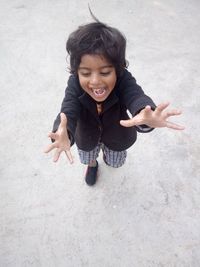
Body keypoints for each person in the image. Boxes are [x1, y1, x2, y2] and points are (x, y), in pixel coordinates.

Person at [44, 21, 184, 186]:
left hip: (117, 137)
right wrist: (64, 132)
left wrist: (144, 113)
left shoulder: (123, 80)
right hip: (86, 137)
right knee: (88, 157)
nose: (95, 81)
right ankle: (93, 165)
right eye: (86, 73)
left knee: (115, 162)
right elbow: (69, 108)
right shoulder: (75, 83)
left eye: (105, 72)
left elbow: (135, 96)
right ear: (76, 72)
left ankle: (107, 158)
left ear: (118, 69)